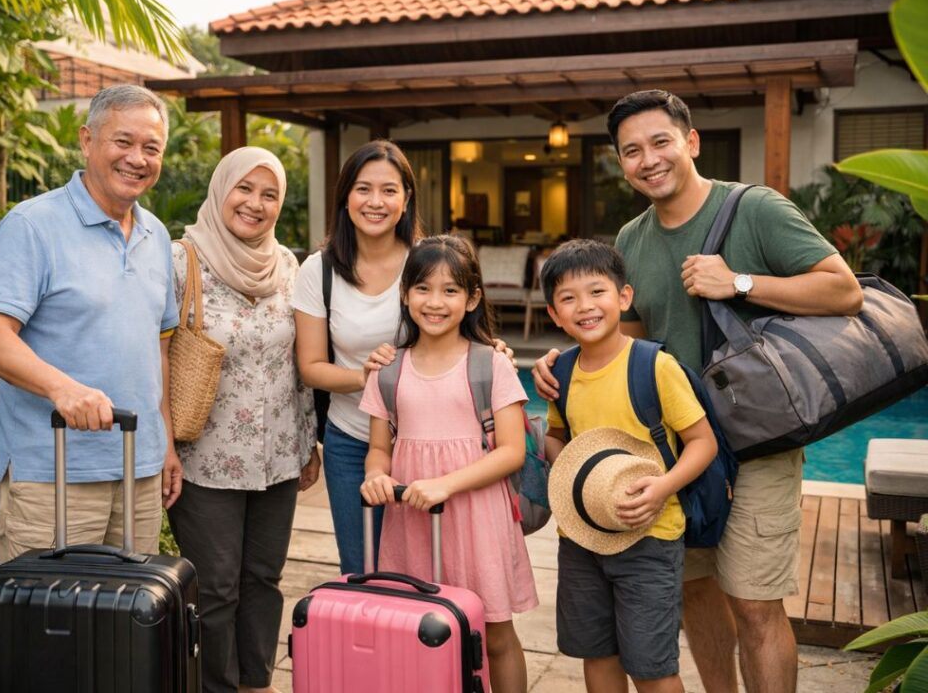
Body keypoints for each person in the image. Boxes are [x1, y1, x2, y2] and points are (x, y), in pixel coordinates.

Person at [533, 90, 863, 693]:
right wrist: (566, 362)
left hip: (759, 440)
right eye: (631, 151)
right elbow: (623, 337)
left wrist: (737, 282)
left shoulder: (754, 209)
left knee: (755, 604)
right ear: (621, 163)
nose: (648, 159)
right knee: (694, 589)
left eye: (660, 142)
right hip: (677, 449)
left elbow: (844, 292)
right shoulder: (630, 239)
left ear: (691, 141)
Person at [0, 84, 183, 562]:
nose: (137, 158)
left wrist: (164, 441)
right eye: (122, 142)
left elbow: (158, 349)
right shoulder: (32, 224)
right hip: (54, 472)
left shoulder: (157, 234)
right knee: (51, 630)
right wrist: (63, 389)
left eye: (152, 148)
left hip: (139, 469)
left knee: (129, 627)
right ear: (87, 141)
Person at [165, 147, 320, 693]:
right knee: (215, 589)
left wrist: (309, 440)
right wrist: (163, 445)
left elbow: (298, 360)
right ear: (221, 189)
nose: (255, 204)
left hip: (279, 455)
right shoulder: (181, 260)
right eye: (244, 189)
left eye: (269, 193)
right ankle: (216, 686)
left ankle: (257, 683)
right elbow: (155, 355)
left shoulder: (288, 266)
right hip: (206, 457)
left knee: (264, 580)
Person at [359, 235, 538, 693]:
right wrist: (376, 476)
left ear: (473, 298)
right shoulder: (388, 369)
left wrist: (445, 484)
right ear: (405, 293)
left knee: (495, 633)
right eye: (422, 288)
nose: (435, 302)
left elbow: (511, 451)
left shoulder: (490, 365)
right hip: (411, 520)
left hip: (478, 519)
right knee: (417, 627)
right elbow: (380, 447)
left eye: (450, 290)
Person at [539, 239, 717, 693]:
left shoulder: (653, 366)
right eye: (568, 298)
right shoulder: (561, 373)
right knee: (596, 653)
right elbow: (558, 436)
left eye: (597, 292)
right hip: (581, 536)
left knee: (651, 666)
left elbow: (702, 442)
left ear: (624, 298)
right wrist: (574, 478)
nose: (585, 307)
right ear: (554, 315)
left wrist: (662, 487)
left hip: (649, 538)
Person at [293, 140, 421, 574]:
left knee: (430, 570)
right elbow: (309, 366)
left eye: (389, 190)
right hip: (351, 441)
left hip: (428, 440)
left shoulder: (428, 263)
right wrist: (366, 377)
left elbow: (465, 339)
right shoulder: (319, 270)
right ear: (345, 197)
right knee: (364, 570)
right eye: (363, 189)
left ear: (406, 199)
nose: (376, 201)